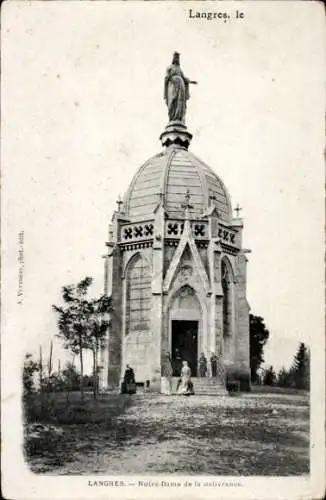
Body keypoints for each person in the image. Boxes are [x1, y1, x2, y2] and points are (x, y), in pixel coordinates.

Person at [164, 52, 197, 123]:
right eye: (175, 57)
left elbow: (184, 78)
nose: (177, 59)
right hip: (172, 85)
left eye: (178, 58)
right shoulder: (169, 68)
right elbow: (166, 77)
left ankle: (178, 118)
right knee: (172, 100)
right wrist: (170, 77)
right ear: (173, 58)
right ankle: (172, 118)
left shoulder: (180, 69)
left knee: (180, 101)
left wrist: (191, 81)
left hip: (181, 86)